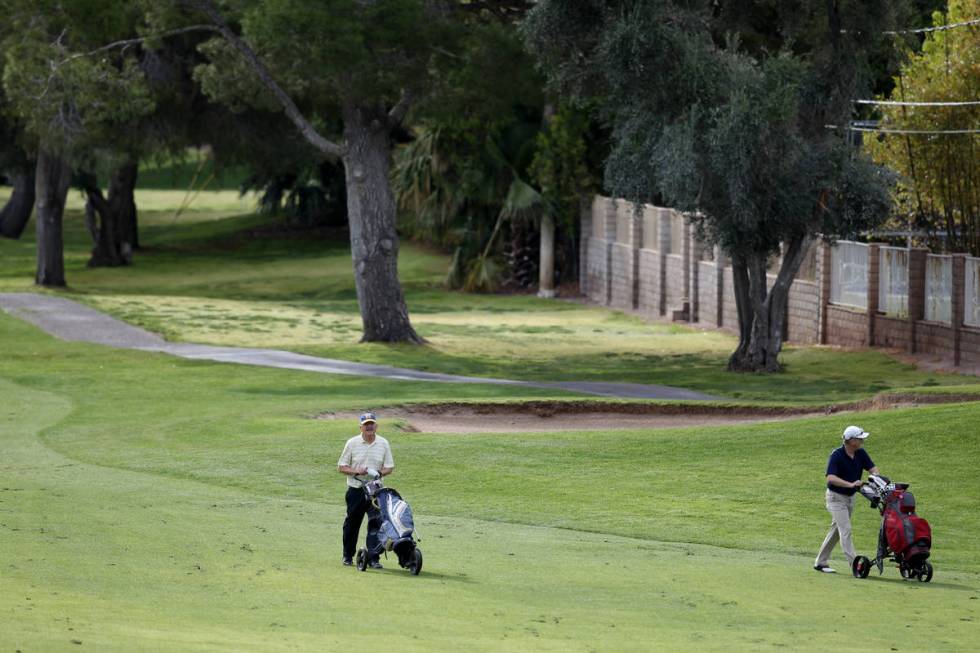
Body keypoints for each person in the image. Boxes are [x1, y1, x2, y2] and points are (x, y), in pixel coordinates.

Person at [813, 425, 880, 574]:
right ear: (850, 441)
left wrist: (874, 477)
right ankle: (855, 565)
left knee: (837, 531)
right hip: (835, 498)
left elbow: (873, 469)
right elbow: (830, 478)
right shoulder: (837, 455)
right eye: (859, 438)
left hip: (850, 498)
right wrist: (850, 484)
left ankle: (820, 562)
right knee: (846, 530)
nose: (862, 441)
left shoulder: (860, 453)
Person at [337, 412, 394, 568]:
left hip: (376, 492)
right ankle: (348, 556)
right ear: (360, 427)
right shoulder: (352, 443)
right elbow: (341, 466)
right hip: (356, 490)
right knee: (352, 524)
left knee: (376, 524)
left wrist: (380, 473)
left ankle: (374, 558)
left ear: (376, 426)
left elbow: (389, 467)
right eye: (366, 424)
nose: (369, 426)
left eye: (372, 423)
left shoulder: (383, 443)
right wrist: (357, 471)